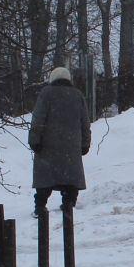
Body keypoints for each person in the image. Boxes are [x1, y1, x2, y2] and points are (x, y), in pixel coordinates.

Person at [29, 66, 91, 216]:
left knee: (45, 178)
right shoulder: (77, 95)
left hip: (48, 145)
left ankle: (40, 206)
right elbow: (85, 122)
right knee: (70, 178)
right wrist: (85, 143)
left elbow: (38, 118)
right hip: (71, 146)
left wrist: (34, 139)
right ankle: (69, 204)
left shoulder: (46, 93)